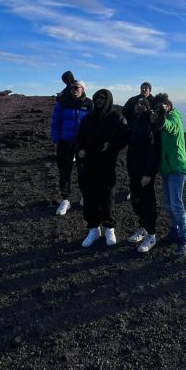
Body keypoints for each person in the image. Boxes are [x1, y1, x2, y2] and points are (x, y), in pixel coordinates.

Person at [75, 89, 129, 247]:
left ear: (108, 100)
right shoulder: (88, 118)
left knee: (107, 197)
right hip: (88, 164)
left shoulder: (116, 118)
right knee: (89, 196)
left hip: (107, 164)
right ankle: (93, 229)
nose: (99, 101)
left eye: (103, 98)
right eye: (97, 98)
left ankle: (109, 228)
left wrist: (112, 145)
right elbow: (79, 138)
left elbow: (125, 137)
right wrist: (80, 150)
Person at [150, 92, 186, 258]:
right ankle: (175, 231)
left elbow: (171, 127)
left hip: (177, 167)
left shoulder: (174, 117)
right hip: (167, 168)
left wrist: (160, 119)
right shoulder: (164, 117)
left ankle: (185, 240)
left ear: (168, 106)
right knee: (168, 203)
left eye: (161, 107)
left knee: (176, 204)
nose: (159, 110)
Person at [50, 80, 93, 215]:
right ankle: (65, 200)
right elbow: (56, 121)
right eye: (71, 88)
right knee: (64, 171)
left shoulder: (89, 104)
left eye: (76, 87)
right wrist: (57, 137)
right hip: (65, 142)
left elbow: (93, 123)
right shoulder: (62, 102)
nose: (73, 90)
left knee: (84, 172)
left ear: (83, 89)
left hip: (82, 144)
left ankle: (84, 197)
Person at [126, 97, 162, 253]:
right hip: (133, 169)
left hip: (146, 172)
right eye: (137, 104)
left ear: (148, 108)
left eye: (143, 104)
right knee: (136, 199)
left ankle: (152, 234)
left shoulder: (151, 124)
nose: (139, 106)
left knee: (148, 201)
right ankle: (143, 228)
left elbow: (155, 151)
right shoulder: (134, 122)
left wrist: (149, 173)